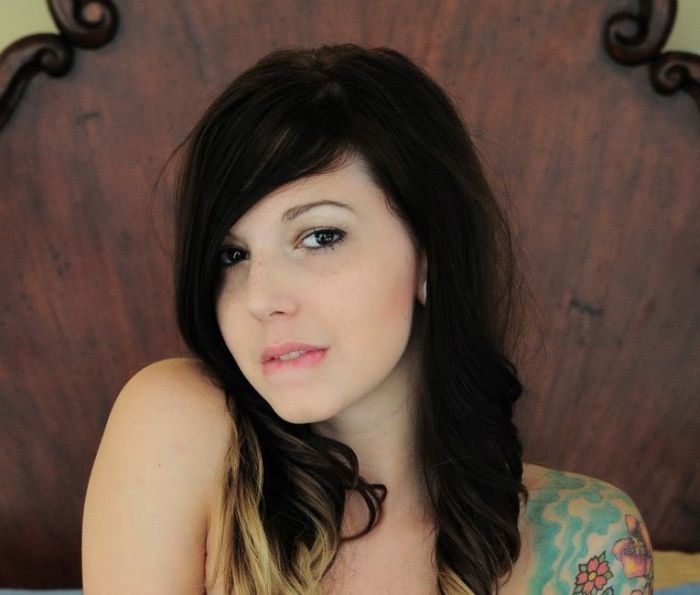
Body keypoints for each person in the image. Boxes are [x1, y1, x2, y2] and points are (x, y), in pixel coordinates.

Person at [81, 44, 654, 595]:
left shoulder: (588, 543)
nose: (259, 297)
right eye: (232, 255)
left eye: (319, 236)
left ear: (430, 253)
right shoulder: (178, 426)